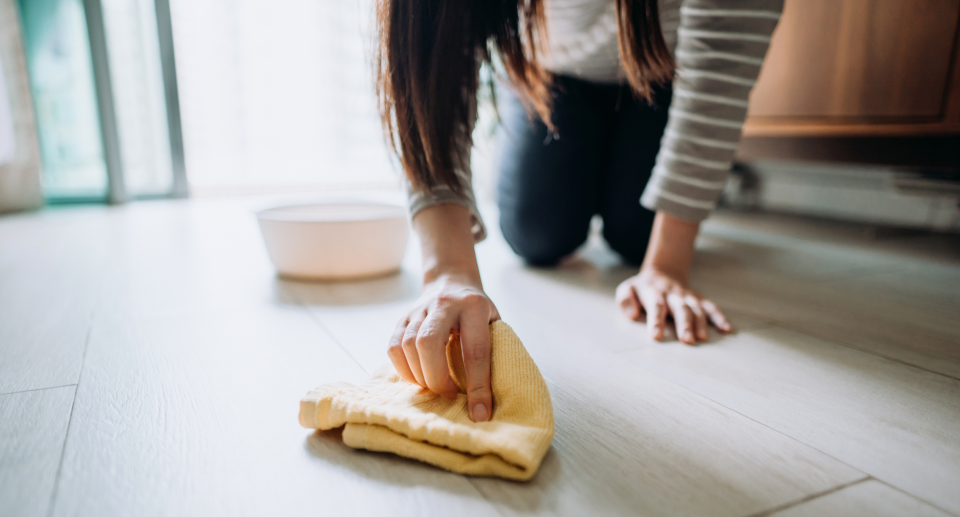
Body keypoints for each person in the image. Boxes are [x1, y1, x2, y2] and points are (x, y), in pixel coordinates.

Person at [375, 0, 783, 423]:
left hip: (664, 71)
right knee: (536, 235)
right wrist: (446, 269)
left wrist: (667, 266)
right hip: (551, 71)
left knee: (635, 237)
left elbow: (721, 66)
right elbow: (431, 63)